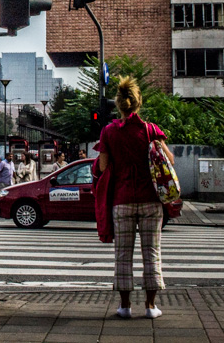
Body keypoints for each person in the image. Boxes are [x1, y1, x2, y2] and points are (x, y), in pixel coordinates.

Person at [95, 76, 173, 320]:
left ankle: (125, 306)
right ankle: (150, 306)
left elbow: (102, 166)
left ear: (118, 105)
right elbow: (169, 161)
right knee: (151, 252)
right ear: (138, 103)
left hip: (122, 200)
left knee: (123, 254)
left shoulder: (109, 132)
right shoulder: (150, 130)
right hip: (151, 200)